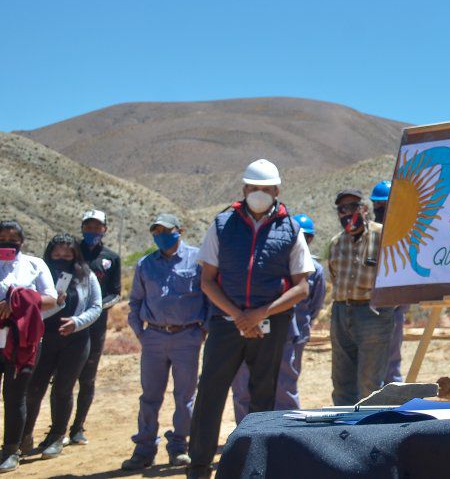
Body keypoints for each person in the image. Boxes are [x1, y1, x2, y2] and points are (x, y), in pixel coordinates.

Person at [187, 159, 312, 479]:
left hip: (271, 324)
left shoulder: (291, 229)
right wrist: (238, 316)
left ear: (277, 191)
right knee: (210, 394)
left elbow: (301, 287)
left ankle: (255, 466)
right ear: (243, 189)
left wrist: (261, 313)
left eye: (266, 189)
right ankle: (199, 466)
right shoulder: (222, 224)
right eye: (254, 188)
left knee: (263, 395)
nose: (259, 194)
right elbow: (207, 280)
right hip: (225, 324)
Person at [121, 214, 207, 470]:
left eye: (166, 230)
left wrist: (203, 330)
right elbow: (135, 301)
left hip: (187, 337)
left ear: (180, 230)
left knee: (185, 395)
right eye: (156, 232)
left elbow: (210, 298)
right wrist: (140, 332)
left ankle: (179, 446)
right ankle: (144, 449)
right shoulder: (145, 264)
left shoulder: (198, 260)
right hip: (154, 337)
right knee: (149, 396)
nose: (161, 236)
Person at [231, 212, 326, 418]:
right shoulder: (272, 266)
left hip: (293, 335)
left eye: (307, 237)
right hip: (258, 331)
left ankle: (285, 436)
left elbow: (315, 303)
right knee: (246, 385)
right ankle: (247, 434)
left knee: (285, 386)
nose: (304, 241)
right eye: (300, 236)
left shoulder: (314, 270)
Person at [22, 234, 102, 461]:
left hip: (76, 341)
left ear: (75, 254)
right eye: (57, 253)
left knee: (62, 390)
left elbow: (96, 306)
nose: (62, 257)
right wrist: (55, 303)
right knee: (34, 389)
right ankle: (24, 437)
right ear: (49, 253)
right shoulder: (39, 273)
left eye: (67, 253)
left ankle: (57, 436)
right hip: (43, 339)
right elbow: (31, 305)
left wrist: (76, 323)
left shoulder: (87, 275)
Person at [0, 220, 57, 473]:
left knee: (14, 396)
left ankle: (11, 450)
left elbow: (51, 298)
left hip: (23, 342)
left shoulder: (34, 264)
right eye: (2, 237)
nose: (7, 242)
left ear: (22, 241)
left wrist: (18, 301)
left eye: (13, 239)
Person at [328, 189, 393, 405]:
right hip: (340, 311)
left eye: (353, 207)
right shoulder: (337, 243)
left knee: (370, 383)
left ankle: (370, 434)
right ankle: (341, 433)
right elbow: (334, 276)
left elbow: (395, 271)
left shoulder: (383, 235)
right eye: (342, 209)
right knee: (341, 382)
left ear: (364, 209)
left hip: (372, 313)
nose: (347, 213)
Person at [68, 208, 121, 445]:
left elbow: (116, 293)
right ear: (82, 228)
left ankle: (78, 427)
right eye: (88, 226)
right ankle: (57, 428)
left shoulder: (111, 258)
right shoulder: (69, 253)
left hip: (96, 328)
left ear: (105, 229)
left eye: (97, 226)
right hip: (68, 324)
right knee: (63, 378)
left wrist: (97, 308)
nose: (92, 230)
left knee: (87, 379)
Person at [372, 180, 405, 384]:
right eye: (378, 206)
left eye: (384, 206)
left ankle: (395, 404)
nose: (380, 210)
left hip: (394, 308)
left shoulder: (404, 234)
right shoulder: (369, 237)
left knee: (391, 361)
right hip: (368, 310)